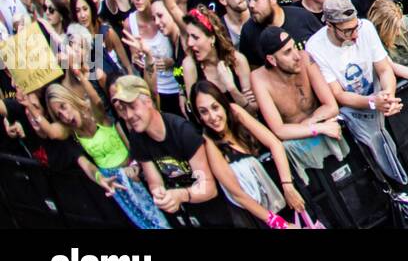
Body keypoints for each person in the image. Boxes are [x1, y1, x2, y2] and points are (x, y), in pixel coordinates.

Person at [304, 0, 408, 187]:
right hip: (353, 110)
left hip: (378, 95)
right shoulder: (315, 47)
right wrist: (372, 102)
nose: (354, 35)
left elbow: (384, 69)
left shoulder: (366, 28)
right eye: (347, 31)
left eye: (355, 27)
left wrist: (388, 95)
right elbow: (337, 93)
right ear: (330, 25)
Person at [44, 79, 171, 229]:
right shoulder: (71, 135)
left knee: (163, 217)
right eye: (59, 115)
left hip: (136, 171)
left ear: (70, 100)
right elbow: (87, 165)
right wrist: (100, 178)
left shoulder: (95, 113)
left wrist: (82, 77)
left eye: (63, 107)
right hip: (115, 183)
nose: (65, 116)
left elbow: (97, 101)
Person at [110, 74, 232, 226]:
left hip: (216, 211)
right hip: (184, 214)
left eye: (133, 107)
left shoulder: (182, 131)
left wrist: (181, 195)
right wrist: (160, 195)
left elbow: (208, 187)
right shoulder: (137, 136)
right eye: (123, 110)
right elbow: (155, 182)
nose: (128, 115)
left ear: (148, 101)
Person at [191, 79, 306, 228]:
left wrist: (288, 186)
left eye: (215, 107)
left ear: (223, 105)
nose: (212, 117)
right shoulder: (208, 142)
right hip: (262, 215)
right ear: (198, 116)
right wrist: (279, 224)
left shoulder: (235, 112)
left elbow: (274, 143)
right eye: (204, 112)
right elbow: (238, 195)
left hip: (285, 194)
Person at [249, 27, 350, 180]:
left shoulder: (304, 58)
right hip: (303, 144)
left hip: (326, 133)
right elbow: (279, 130)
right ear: (271, 60)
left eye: (294, 47)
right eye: (287, 52)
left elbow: (331, 106)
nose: (296, 56)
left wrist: (310, 124)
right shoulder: (259, 79)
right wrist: (318, 127)